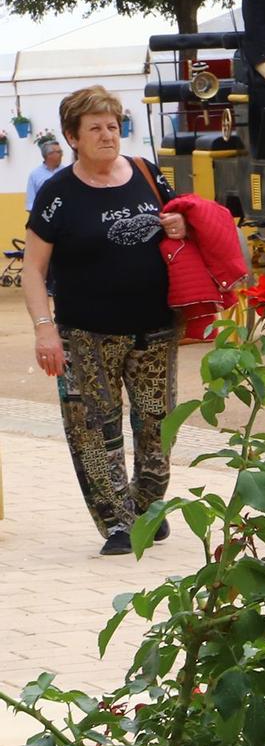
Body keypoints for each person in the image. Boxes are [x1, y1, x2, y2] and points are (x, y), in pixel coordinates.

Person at [23, 85, 188, 555]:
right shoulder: (58, 194)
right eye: (94, 128)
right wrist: (43, 327)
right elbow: (33, 269)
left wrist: (178, 225)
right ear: (73, 137)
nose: (107, 135)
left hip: (155, 328)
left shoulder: (146, 173)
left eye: (113, 126)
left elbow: (179, 221)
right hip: (85, 335)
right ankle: (118, 522)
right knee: (93, 427)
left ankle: (145, 508)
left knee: (158, 424)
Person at [25, 134, 63, 211]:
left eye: (61, 152)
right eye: (58, 152)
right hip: (43, 217)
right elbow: (30, 204)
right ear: (48, 155)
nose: (61, 155)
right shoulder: (35, 175)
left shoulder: (67, 172)